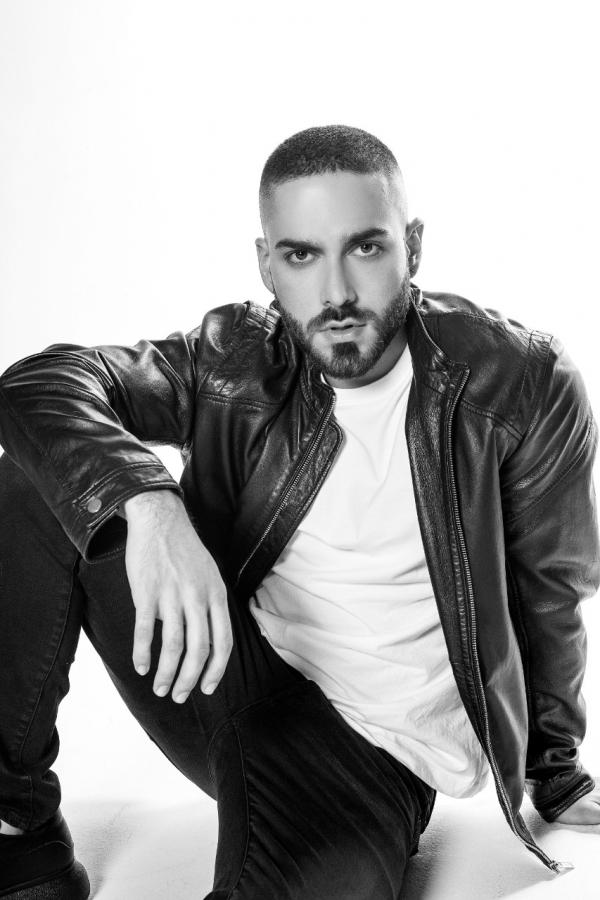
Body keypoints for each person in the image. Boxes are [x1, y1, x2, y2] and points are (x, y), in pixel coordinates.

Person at [0, 124, 599, 900]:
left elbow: (551, 589)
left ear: (413, 246)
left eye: (366, 247)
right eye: (302, 255)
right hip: (218, 665)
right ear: (267, 264)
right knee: (40, 476)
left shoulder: (520, 384)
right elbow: (41, 385)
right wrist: (150, 504)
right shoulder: (235, 355)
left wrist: (556, 770)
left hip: (370, 760)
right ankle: (19, 835)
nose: (336, 292)